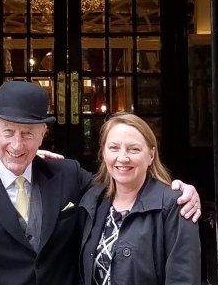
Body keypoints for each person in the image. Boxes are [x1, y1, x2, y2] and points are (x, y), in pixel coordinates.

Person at [0, 81, 200, 285]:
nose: (17, 145)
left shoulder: (68, 175)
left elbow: (124, 184)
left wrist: (178, 191)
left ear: (43, 134)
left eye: (28, 133)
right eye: (8, 131)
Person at [79, 113, 200, 285]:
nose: (122, 158)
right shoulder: (93, 199)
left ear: (151, 155)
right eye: (113, 148)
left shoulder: (175, 205)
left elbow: (183, 278)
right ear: (103, 152)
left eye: (133, 149)